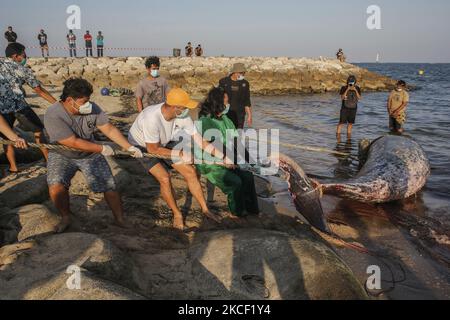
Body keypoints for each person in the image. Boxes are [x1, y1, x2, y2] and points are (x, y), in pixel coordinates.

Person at [44, 78, 144, 233]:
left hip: (89, 153)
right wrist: (101, 148)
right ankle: (65, 216)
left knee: (109, 186)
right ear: (70, 100)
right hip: (62, 153)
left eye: (89, 100)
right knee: (56, 185)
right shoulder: (53, 114)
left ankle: (120, 219)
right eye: (84, 101)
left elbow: (109, 129)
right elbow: (72, 142)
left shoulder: (93, 109)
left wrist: (129, 146)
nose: (88, 105)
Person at [128, 88, 226, 230]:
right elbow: (153, 150)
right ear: (176, 108)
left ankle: (205, 210)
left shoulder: (182, 116)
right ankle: (177, 214)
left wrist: (223, 157)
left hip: (164, 141)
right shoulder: (151, 118)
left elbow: (200, 141)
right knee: (165, 178)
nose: (188, 110)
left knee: (190, 172)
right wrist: (180, 155)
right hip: (142, 145)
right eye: (185, 107)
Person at [196, 87, 260, 217]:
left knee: (247, 176)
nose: (228, 104)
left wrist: (252, 163)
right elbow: (214, 145)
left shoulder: (226, 119)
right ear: (218, 103)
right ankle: (237, 214)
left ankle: (252, 211)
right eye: (226, 101)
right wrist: (229, 159)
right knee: (235, 182)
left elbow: (237, 143)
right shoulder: (205, 120)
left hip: (227, 158)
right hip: (209, 160)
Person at [0, 43, 57, 174]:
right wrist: (57, 104)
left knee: (6, 139)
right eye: (23, 53)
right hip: (20, 107)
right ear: (15, 56)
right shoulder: (22, 69)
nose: (25, 56)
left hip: (2, 109)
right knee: (38, 131)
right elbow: (39, 90)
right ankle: (48, 160)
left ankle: (14, 167)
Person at [219, 63, 252, 129]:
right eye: (241, 73)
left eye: (244, 73)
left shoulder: (245, 83)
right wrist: (218, 112)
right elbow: (218, 98)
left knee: (238, 136)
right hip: (226, 113)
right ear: (235, 72)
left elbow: (247, 101)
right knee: (229, 136)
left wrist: (249, 116)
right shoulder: (224, 82)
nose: (243, 75)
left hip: (240, 114)